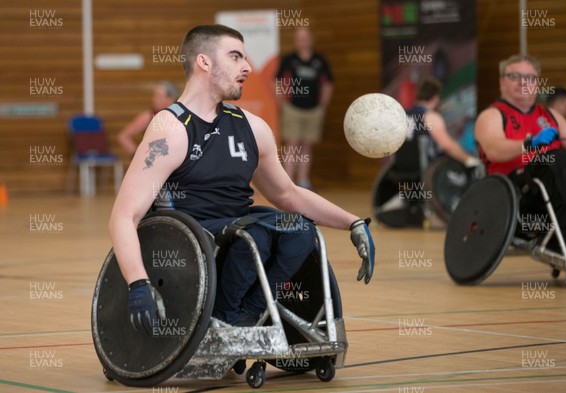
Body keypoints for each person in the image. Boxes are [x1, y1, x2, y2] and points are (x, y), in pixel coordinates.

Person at [109, 24, 374, 333]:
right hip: (188, 239)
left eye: (245, 58)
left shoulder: (253, 127)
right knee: (256, 235)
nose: (247, 67)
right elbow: (124, 215)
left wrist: (352, 222)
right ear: (204, 62)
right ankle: (224, 315)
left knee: (300, 230)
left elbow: (287, 194)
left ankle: (246, 315)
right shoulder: (170, 129)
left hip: (239, 229)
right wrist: (139, 284)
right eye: (235, 57)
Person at [475, 54, 566, 250]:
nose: (523, 82)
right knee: (555, 158)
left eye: (530, 78)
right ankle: (562, 240)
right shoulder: (492, 115)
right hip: (516, 191)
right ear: (502, 83)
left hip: (558, 184)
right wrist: (529, 143)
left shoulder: (550, 115)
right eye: (514, 76)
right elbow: (494, 150)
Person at [275, 27, 333, 190]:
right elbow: (277, 81)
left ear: (311, 39)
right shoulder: (289, 59)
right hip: (293, 108)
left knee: (307, 145)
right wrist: (282, 102)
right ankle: (286, 182)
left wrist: (323, 104)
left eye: (305, 37)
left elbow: (327, 83)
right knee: (292, 144)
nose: (303, 41)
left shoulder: (319, 60)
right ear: (296, 40)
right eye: (299, 38)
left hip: (314, 110)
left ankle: (303, 181)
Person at [406, 77, 481, 168]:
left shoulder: (404, 115)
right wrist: (469, 160)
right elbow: (446, 145)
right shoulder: (430, 116)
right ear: (436, 98)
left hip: (404, 171)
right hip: (429, 172)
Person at [117, 81, 180, 156]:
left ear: (170, 99)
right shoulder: (148, 116)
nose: (154, 99)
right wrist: (138, 156)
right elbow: (123, 136)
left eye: (158, 95)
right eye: (155, 95)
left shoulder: (181, 115)